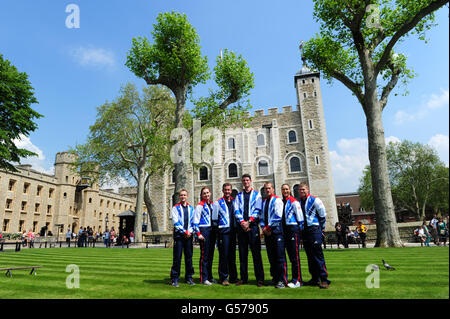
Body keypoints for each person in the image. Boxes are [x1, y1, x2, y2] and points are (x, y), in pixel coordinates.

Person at [234, 174, 265, 287]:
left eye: (247, 180)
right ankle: (243, 278)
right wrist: (242, 222)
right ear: (242, 182)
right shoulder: (238, 196)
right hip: (242, 228)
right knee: (243, 254)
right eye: (244, 180)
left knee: (256, 254)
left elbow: (258, 210)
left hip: (252, 228)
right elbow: (236, 210)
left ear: (250, 181)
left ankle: (260, 279)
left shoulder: (257, 195)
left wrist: (249, 222)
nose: (246, 182)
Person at [298, 182, 330, 289]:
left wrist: (322, 229)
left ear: (307, 190)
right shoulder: (298, 202)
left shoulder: (315, 200)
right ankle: (314, 278)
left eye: (304, 189)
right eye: (300, 190)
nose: (302, 191)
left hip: (314, 229)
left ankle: (324, 279)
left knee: (318, 255)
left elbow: (322, 214)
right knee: (310, 257)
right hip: (305, 231)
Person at [261, 182, 288, 289]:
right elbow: (262, 217)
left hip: (276, 233)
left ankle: (282, 280)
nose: (267, 190)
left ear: (273, 189)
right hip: (268, 234)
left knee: (280, 257)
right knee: (271, 257)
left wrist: (267, 228)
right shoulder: (264, 202)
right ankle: (275, 278)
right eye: (265, 189)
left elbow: (277, 217)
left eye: (269, 188)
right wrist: (263, 228)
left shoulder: (277, 200)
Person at [212, 183, 239, 286]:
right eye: (225, 190)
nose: (227, 191)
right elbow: (214, 219)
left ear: (231, 191)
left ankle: (233, 277)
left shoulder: (234, 202)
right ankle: (223, 278)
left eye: (229, 190)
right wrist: (218, 234)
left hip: (233, 232)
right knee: (224, 256)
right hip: (223, 233)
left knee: (232, 256)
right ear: (223, 191)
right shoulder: (218, 203)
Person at [170, 189, 195, 287]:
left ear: (187, 196)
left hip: (188, 236)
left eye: (184, 195)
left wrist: (190, 232)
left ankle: (189, 277)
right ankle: (174, 278)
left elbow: (193, 222)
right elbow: (176, 222)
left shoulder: (191, 208)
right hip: (179, 236)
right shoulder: (175, 208)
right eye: (181, 195)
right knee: (177, 258)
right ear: (179, 197)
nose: (183, 197)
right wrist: (185, 231)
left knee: (189, 257)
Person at [281, 184, 304, 288]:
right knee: (289, 256)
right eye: (283, 189)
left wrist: (300, 230)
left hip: (293, 229)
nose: (285, 191)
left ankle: (297, 280)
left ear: (289, 190)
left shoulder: (294, 201)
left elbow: (300, 217)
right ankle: (292, 279)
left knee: (295, 257)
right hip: (284, 230)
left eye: (286, 189)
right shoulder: (281, 202)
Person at [193, 186, 216, 286]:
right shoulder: (200, 206)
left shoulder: (212, 205)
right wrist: (198, 234)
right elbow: (195, 221)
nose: (206, 195)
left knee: (210, 256)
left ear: (210, 193)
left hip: (211, 230)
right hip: (204, 230)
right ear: (201, 195)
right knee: (204, 256)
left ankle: (210, 276)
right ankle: (204, 278)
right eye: (204, 193)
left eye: (207, 193)